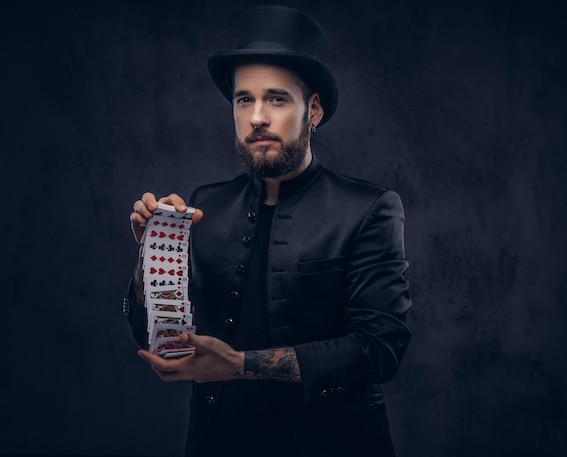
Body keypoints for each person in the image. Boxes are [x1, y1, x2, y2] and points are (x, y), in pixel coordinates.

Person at [124, 6, 412, 457]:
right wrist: (154, 261)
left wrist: (240, 365)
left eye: (276, 99)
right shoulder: (205, 205)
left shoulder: (369, 208)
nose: (257, 117)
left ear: (312, 109)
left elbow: (380, 348)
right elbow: (161, 342)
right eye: (244, 100)